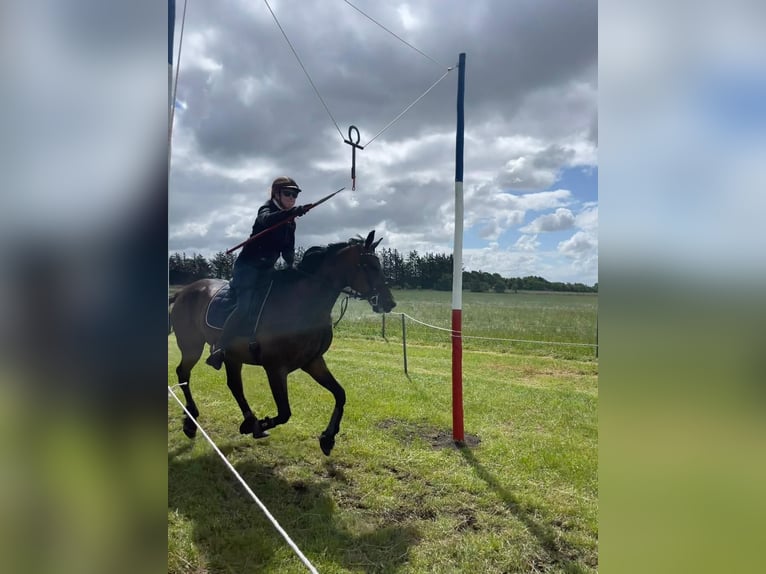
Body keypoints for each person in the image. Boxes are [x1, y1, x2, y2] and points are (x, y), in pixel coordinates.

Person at [206, 176, 309, 369]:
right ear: (276, 194)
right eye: (288, 193)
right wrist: (293, 213)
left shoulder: (290, 221)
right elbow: (266, 220)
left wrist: (290, 265)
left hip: (267, 270)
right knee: (245, 307)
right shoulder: (267, 209)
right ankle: (219, 349)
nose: (292, 198)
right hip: (247, 269)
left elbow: (288, 247)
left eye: (295, 195)